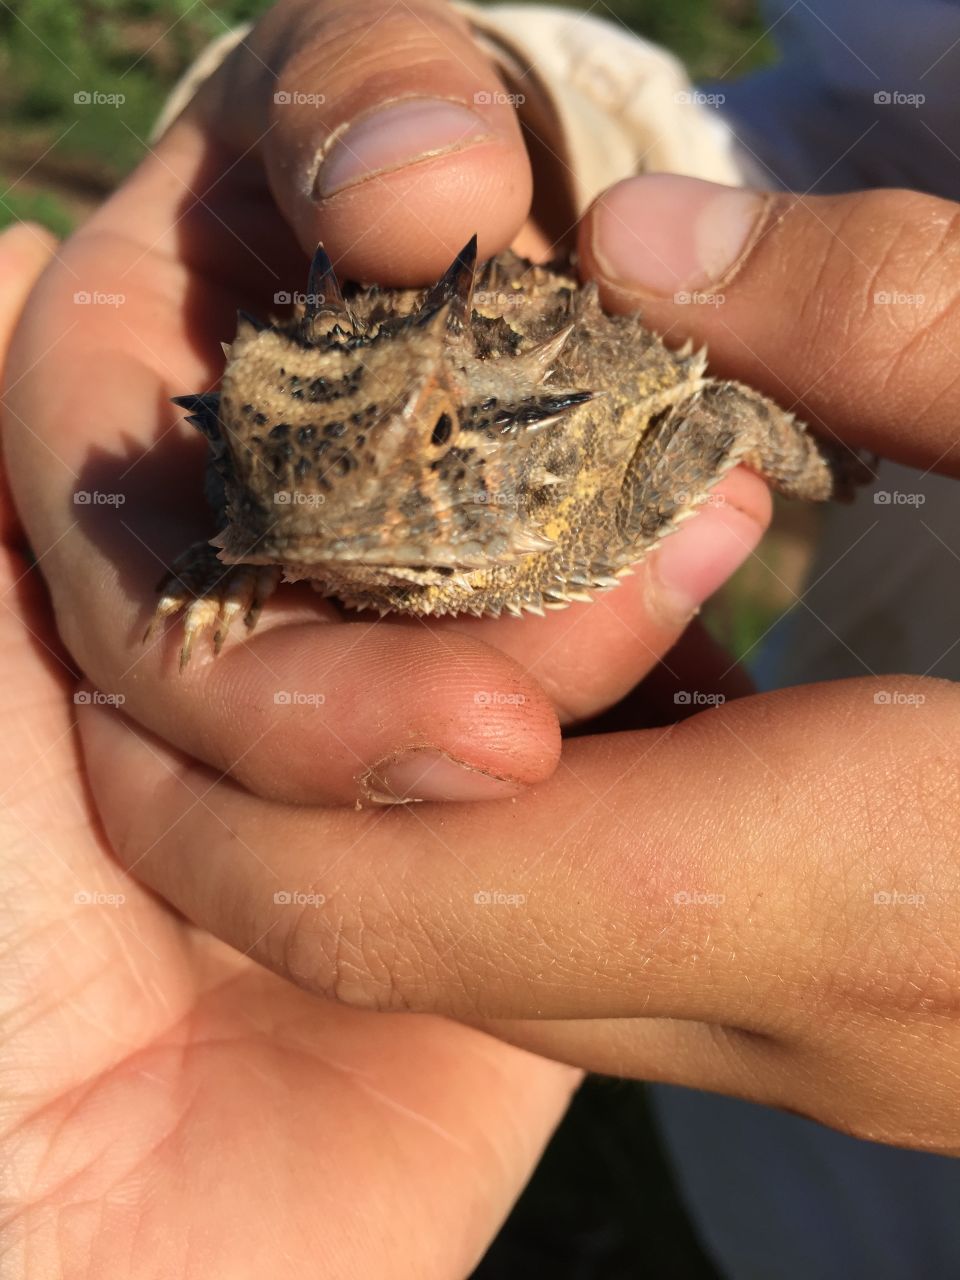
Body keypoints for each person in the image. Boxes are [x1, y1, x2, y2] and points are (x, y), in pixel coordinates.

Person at [3, 1, 960, 1275]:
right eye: (256, 454)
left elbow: (714, 411)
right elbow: (860, 99)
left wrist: (830, 445)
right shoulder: (295, 481)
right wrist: (552, 135)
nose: (300, 515)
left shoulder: (586, 474)